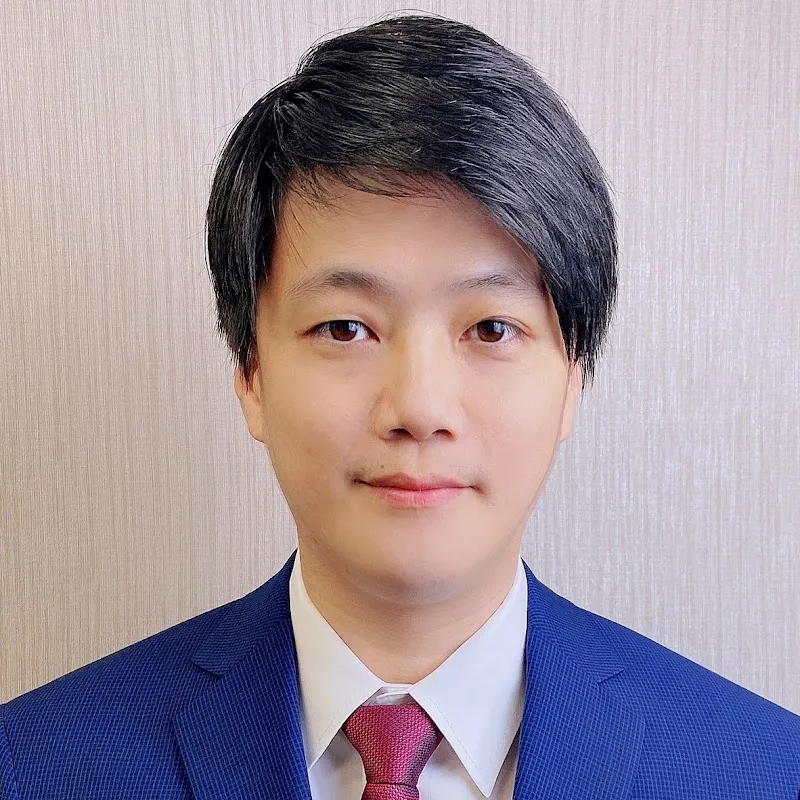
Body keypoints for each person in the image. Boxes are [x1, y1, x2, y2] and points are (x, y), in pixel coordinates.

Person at [2, 12, 798, 800]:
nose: (419, 407)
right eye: (345, 328)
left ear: (572, 379)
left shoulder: (763, 771)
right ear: (250, 373)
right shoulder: (32, 767)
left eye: (491, 328)